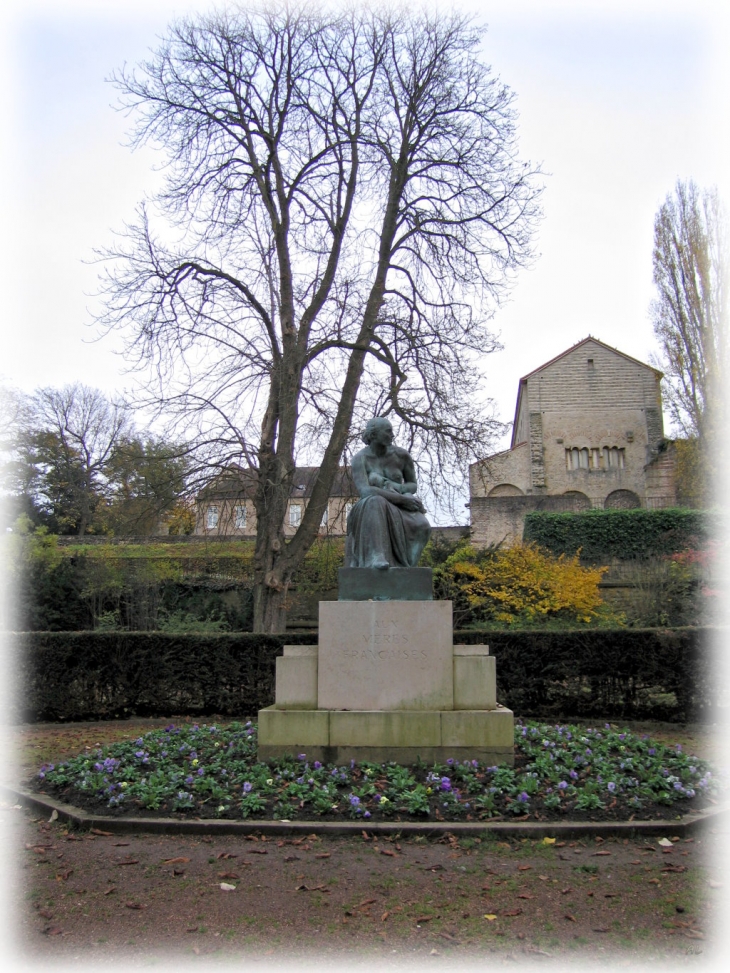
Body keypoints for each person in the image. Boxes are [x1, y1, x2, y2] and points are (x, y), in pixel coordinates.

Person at [345, 416, 431, 569]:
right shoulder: (360, 459)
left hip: (398, 506)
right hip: (369, 508)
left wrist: (396, 487)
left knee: (423, 525)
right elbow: (365, 491)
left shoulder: (401, 456)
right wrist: (401, 499)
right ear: (373, 435)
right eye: (388, 431)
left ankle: (407, 570)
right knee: (375, 501)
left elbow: (412, 485)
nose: (392, 435)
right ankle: (376, 556)